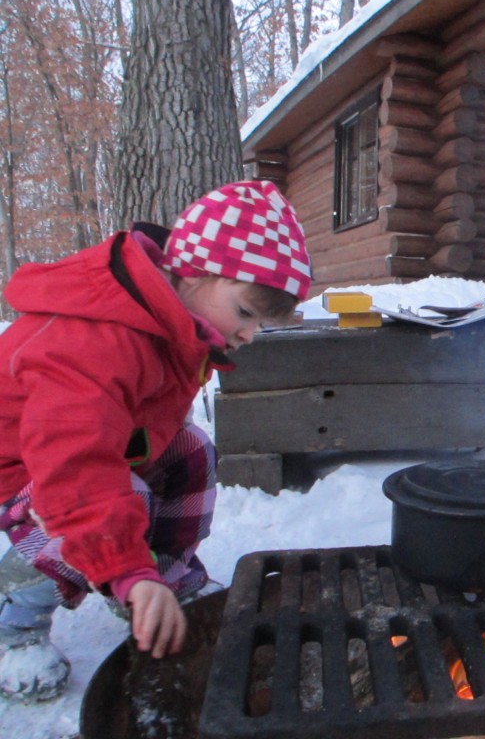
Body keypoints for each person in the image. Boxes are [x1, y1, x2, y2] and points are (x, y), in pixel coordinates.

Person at [0, 180, 312, 701]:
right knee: (113, 501)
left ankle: (166, 576)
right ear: (195, 273)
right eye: (245, 312)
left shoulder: (170, 318)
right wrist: (124, 568)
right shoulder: (92, 339)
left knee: (189, 451)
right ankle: (13, 623)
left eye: (260, 322)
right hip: (26, 472)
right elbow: (76, 472)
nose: (250, 335)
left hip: (99, 454)